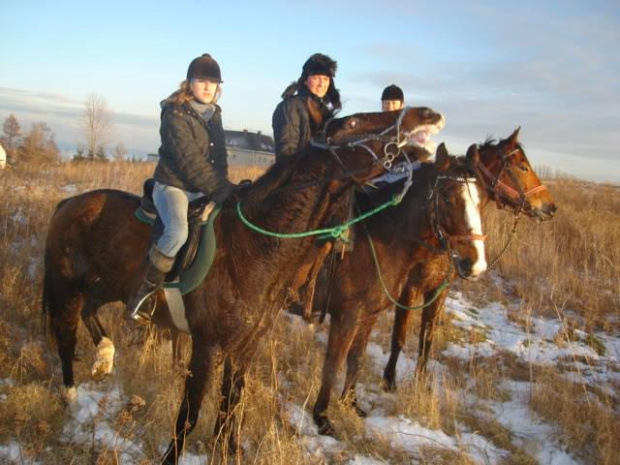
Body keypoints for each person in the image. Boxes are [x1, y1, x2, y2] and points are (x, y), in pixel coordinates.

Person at [126, 53, 236, 323]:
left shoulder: (215, 114)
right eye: (202, 81)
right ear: (190, 83)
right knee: (177, 231)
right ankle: (144, 295)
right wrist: (219, 189)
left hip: (203, 188)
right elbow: (189, 161)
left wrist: (225, 186)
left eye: (213, 82)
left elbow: (219, 158)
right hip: (173, 185)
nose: (208, 87)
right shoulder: (174, 113)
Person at [272, 53, 341, 161]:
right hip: (299, 174)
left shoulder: (325, 111)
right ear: (305, 80)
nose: (321, 84)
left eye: (326, 79)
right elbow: (287, 152)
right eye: (316, 78)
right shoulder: (291, 107)